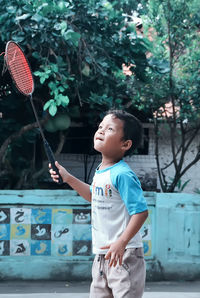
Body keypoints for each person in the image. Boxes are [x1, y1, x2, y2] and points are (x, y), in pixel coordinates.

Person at [49, 109, 148, 298]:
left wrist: (121, 242)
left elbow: (141, 212)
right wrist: (68, 177)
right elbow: (94, 196)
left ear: (125, 144)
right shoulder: (101, 171)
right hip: (103, 255)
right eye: (101, 127)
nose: (101, 131)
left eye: (110, 129)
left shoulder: (123, 174)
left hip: (124, 254)